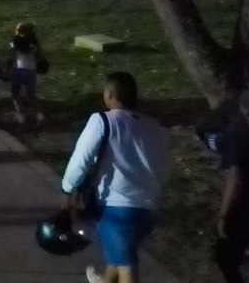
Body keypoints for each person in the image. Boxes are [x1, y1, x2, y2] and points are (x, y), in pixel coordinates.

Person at [60, 73, 169, 283]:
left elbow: (81, 158)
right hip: (147, 209)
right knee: (119, 255)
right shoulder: (156, 128)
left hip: (116, 209)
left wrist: (67, 189)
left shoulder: (102, 120)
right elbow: (164, 167)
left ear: (110, 94)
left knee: (127, 268)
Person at [215, 89, 249, 283]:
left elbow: (235, 177)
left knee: (225, 256)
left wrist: (223, 215)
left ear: (245, 111)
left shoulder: (241, 133)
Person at [7, 22, 45, 126]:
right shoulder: (34, 43)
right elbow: (41, 57)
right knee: (31, 95)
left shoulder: (15, 42)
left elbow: (11, 58)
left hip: (17, 70)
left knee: (15, 94)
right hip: (31, 71)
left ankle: (20, 116)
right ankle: (39, 114)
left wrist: (7, 71)